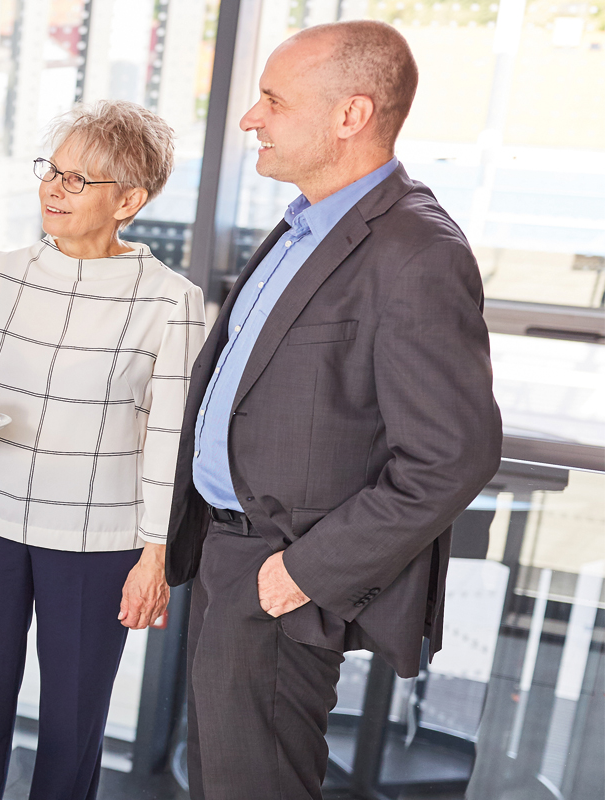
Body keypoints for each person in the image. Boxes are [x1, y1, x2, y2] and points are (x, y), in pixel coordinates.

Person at [164, 21, 502, 800]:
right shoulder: (305, 224)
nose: (250, 117)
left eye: (274, 100)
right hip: (225, 553)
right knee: (220, 780)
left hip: (283, 574)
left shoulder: (417, 252)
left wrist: (301, 573)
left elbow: (452, 457)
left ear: (350, 115)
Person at [0, 100, 205, 800]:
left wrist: (155, 555)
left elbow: (171, 439)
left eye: (78, 180)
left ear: (129, 201)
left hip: (96, 540)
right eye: (52, 171)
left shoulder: (171, 302)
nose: (54, 188)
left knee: (73, 722)